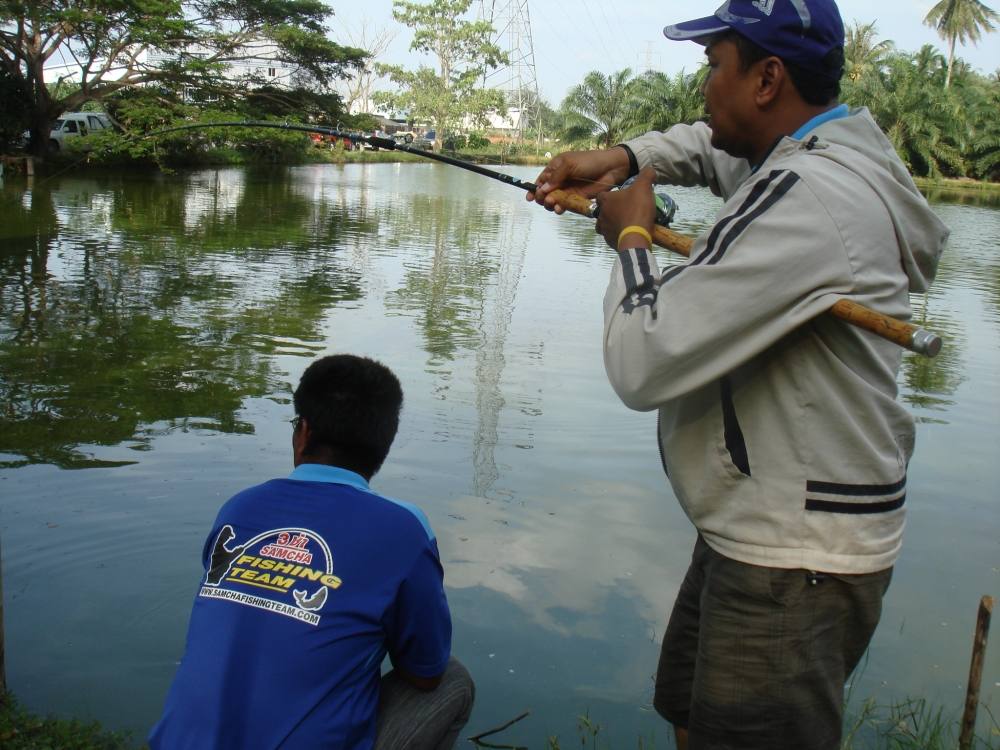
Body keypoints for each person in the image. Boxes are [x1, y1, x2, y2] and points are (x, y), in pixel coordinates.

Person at [529, 1, 948, 748]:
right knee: (693, 720)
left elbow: (643, 360)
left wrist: (631, 235)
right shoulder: (809, 158)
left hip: (795, 555)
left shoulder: (811, 197)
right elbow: (711, 147)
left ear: (767, 79)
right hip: (756, 526)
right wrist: (622, 160)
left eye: (713, 65)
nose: (703, 86)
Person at [149, 354, 474, 749]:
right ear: (383, 444)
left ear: (302, 432)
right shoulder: (405, 529)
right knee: (453, 680)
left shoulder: (241, 507)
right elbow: (426, 672)